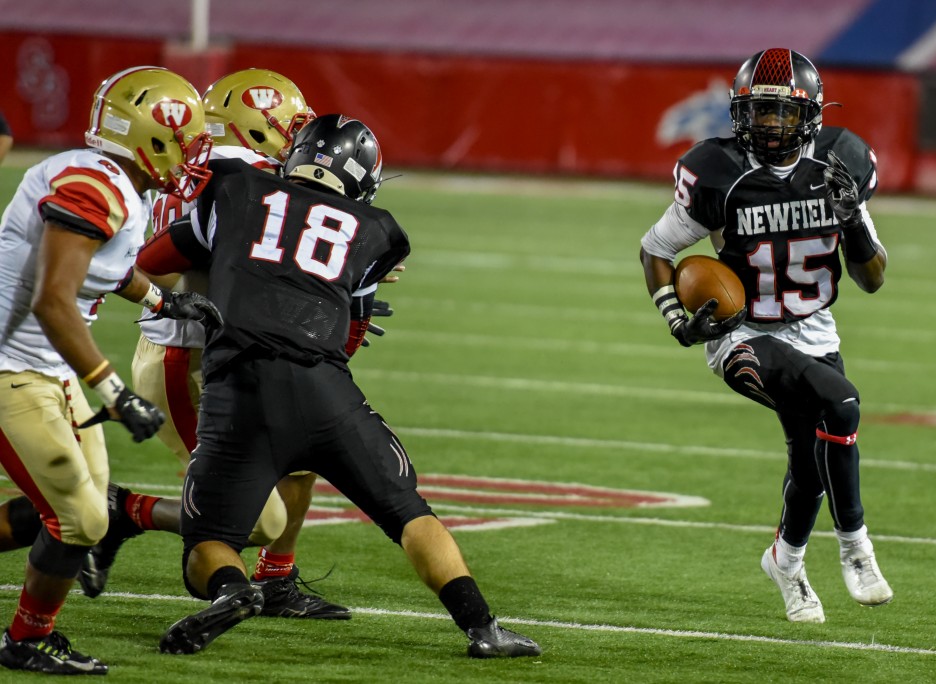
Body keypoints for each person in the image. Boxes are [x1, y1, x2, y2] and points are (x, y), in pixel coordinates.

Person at [136, 114, 541, 658]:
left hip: (238, 389)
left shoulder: (233, 187)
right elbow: (350, 333)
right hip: (323, 388)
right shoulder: (378, 229)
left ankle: (233, 592)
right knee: (409, 512)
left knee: (208, 541)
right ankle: (482, 628)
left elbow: (150, 262)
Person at [76, 68, 351, 621]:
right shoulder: (240, 173)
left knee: (300, 461)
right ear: (255, 127)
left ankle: (277, 582)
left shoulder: (206, 167)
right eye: (287, 124)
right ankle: (125, 511)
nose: (296, 137)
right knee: (255, 518)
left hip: (235, 351)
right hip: (187, 355)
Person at [639, 48, 893, 624]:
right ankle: (857, 548)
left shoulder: (840, 163)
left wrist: (852, 218)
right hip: (743, 334)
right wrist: (676, 318)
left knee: (810, 465)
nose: (768, 125)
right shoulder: (720, 171)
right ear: (739, 112)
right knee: (842, 403)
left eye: (781, 114)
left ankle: (786, 561)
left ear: (810, 115)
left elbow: (872, 277)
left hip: (815, 329)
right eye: (758, 112)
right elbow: (656, 248)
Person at [0, 66, 219, 675]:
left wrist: (162, 301)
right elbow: (53, 298)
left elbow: (110, 266)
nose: (194, 149)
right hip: (11, 367)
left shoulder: (118, 183)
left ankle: (28, 635)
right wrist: (115, 392)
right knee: (80, 518)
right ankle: (25, 640)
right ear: (150, 137)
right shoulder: (93, 185)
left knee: (81, 510)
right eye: (187, 137)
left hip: (46, 366)